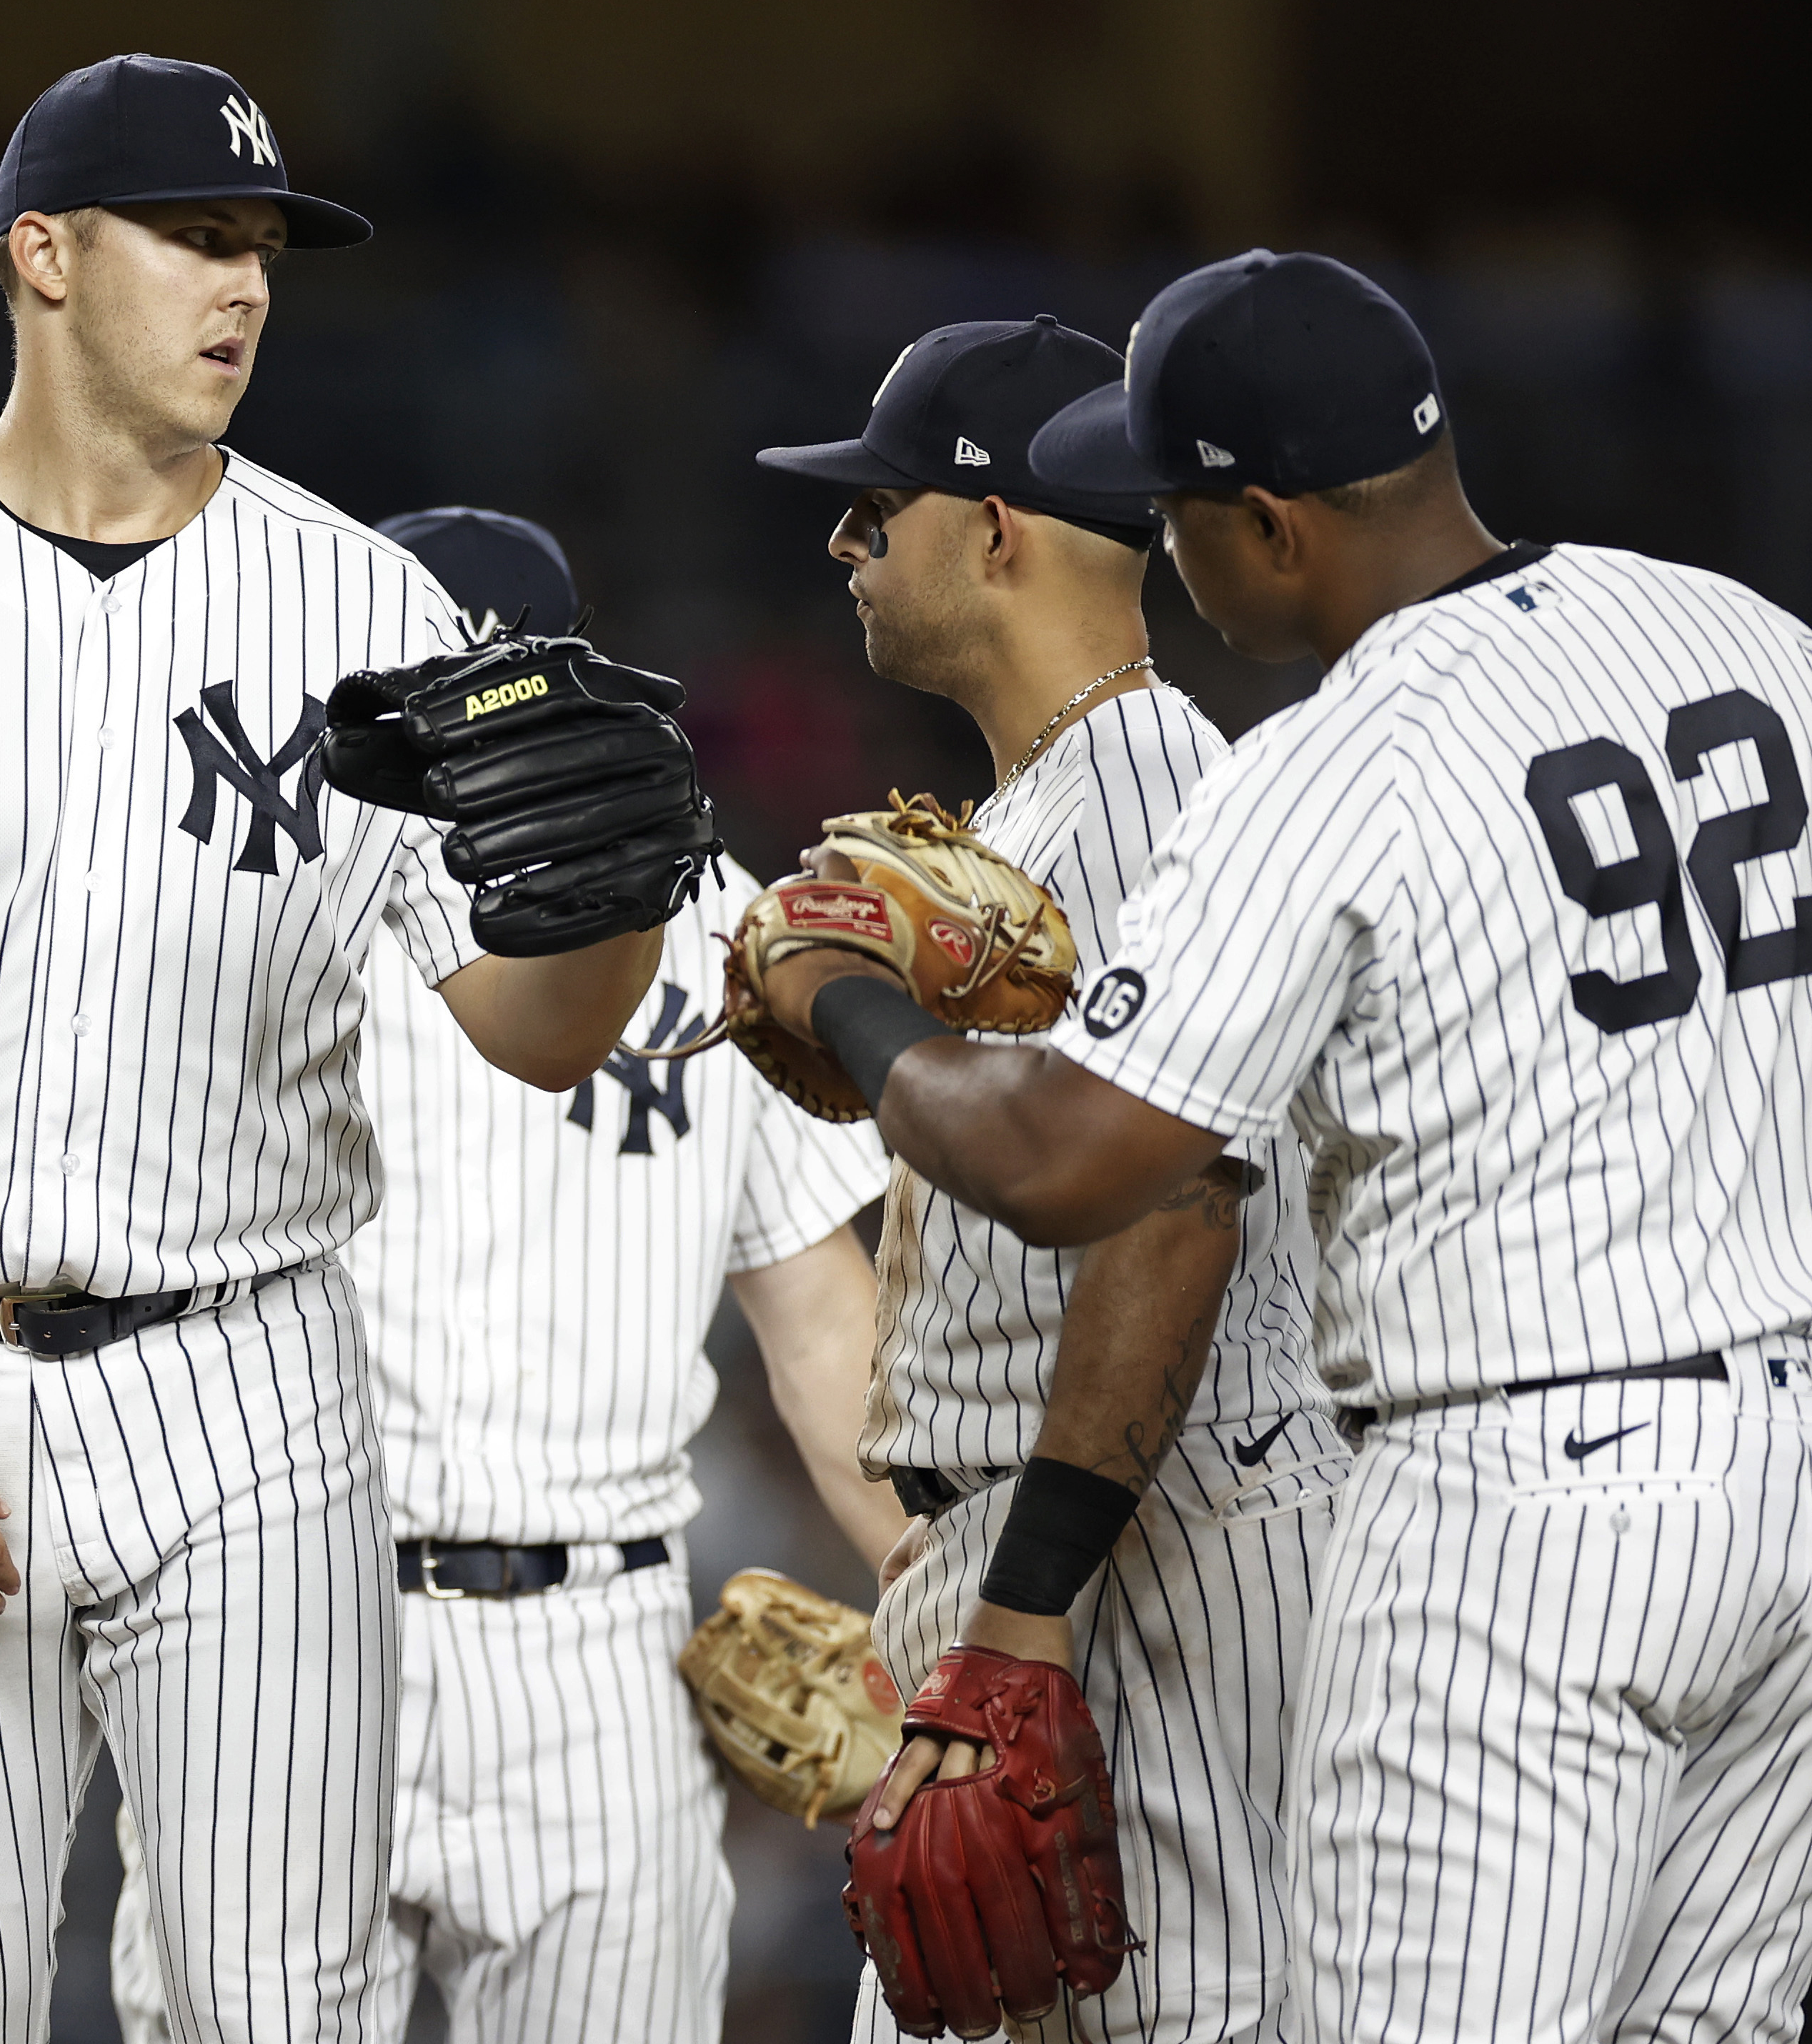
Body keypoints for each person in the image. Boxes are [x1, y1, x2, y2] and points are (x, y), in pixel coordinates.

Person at [0, 54, 690, 2043]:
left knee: (285, 2005)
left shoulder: (370, 605)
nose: (242, 285)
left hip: (251, 1381)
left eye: (261, 247)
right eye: (194, 237)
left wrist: (612, 914)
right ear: (40, 255)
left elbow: (528, 1040)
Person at [752, 248, 1812, 2043]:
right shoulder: (1740, 630)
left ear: (1264, 521)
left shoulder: (1332, 759)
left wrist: (848, 999)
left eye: (1175, 513)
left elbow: (1098, 1164)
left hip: (1518, 1491)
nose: (1157, 549)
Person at [103, 506, 899, 2044]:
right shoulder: (237, 909)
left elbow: (818, 1321)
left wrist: (951, 1613)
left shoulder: (723, 927)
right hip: (280, 1618)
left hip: (593, 1638)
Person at [752, 315, 1340, 2043]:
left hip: (1151, 1556)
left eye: (878, 508)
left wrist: (1021, 1610)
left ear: (993, 526)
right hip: (1032, 1553)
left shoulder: (1152, 781)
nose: (844, 543)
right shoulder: (1031, 814)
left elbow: (1177, 1210)